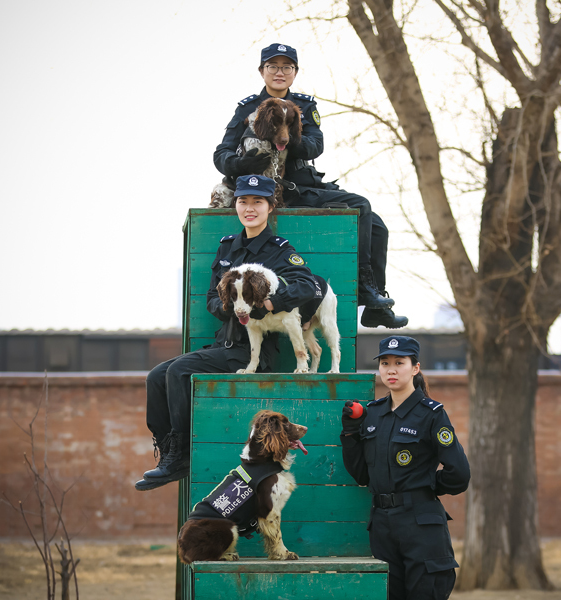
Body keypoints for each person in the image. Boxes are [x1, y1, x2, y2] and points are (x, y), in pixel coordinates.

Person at [136, 175, 319, 491]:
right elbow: (212, 297)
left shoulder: (279, 250)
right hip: (224, 343)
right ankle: (169, 453)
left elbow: (308, 285)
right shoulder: (227, 247)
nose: (250, 208)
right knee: (156, 376)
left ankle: (181, 456)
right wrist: (231, 307)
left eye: (258, 202)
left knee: (179, 371)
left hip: (253, 352)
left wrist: (268, 304)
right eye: (243, 201)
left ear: (270, 207)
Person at [214, 42, 408, 329]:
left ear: (295, 72)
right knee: (361, 206)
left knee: (375, 224)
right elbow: (221, 154)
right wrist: (242, 164)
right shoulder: (247, 108)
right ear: (262, 71)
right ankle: (368, 293)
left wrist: (285, 132)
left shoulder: (304, 106)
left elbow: (315, 145)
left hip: (299, 184)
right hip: (268, 188)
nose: (280, 72)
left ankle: (372, 300)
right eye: (273, 66)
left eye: (287, 67)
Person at [340, 336, 470, 600]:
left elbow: (459, 474)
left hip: (421, 523)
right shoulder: (373, 413)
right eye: (385, 363)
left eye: (399, 363)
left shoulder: (431, 414)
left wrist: (425, 486)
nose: (391, 369)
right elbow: (362, 475)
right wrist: (351, 433)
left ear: (415, 368)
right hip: (382, 525)